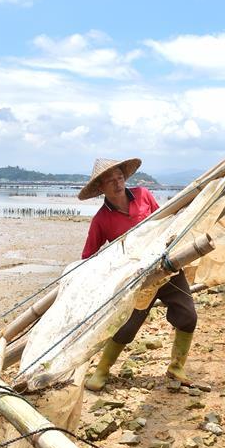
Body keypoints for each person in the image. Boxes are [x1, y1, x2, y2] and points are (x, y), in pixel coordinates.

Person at [78, 157, 198, 392]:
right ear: (100, 188)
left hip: (166, 267)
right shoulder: (101, 219)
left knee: (188, 315)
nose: (117, 183)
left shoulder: (143, 195)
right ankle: (102, 369)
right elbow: (89, 257)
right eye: (110, 181)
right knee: (127, 326)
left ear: (125, 177)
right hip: (138, 279)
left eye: (119, 177)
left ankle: (176, 366)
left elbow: (165, 222)